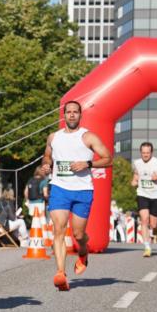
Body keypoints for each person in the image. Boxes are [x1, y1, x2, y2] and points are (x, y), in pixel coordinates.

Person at [42, 100, 112, 290]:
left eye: (75, 112)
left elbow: (108, 159)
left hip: (82, 190)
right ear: (63, 115)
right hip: (59, 188)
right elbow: (47, 155)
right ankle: (60, 273)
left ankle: (83, 252)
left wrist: (87, 164)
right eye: (68, 112)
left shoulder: (88, 137)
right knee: (59, 230)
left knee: (79, 234)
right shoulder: (53, 137)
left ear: (80, 115)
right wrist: (46, 164)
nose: (72, 115)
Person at [131, 142, 157, 257]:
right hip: (142, 194)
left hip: (156, 196)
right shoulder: (137, 163)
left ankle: (156, 229)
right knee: (144, 220)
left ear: (151, 152)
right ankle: (147, 247)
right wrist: (134, 181)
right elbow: (136, 175)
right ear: (140, 152)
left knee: (154, 225)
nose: (145, 155)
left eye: (147, 153)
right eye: (143, 153)